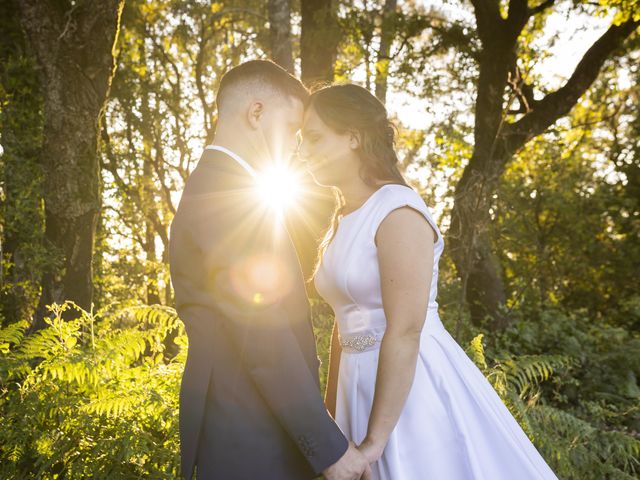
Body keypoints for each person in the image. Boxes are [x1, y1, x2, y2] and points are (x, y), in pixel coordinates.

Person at [299, 83, 559, 479]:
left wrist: (373, 444)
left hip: (409, 388)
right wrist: (333, 421)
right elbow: (342, 324)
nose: (302, 152)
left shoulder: (397, 210)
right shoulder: (340, 219)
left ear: (352, 136)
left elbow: (405, 329)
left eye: (314, 138)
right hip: (355, 385)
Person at [169, 61, 370, 480]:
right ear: (256, 113)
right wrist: (331, 450)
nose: (297, 147)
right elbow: (263, 334)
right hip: (246, 430)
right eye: (294, 130)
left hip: (245, 421)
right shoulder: (227, 197)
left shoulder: (221, 187)